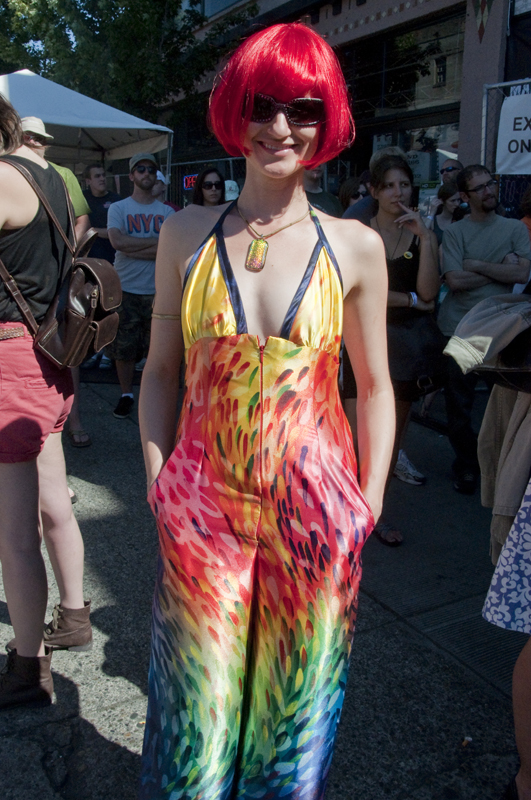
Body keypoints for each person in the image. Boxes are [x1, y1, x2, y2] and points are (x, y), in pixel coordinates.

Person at [138, 22, 394, 798]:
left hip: (314, 511)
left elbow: (374, 385)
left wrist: (367, 502)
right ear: (232, 109)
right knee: (196, 719)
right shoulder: (185, 234)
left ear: (327, 120)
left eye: (303, 107)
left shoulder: (353, 246)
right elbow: (159, 374)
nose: (279, 126)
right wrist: (161, 484)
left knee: (292, 723)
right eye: (261, 103)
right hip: (202, 506)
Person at [0, 95, 91, 711]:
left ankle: (29, 666)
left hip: (10, 362)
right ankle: (77, 614)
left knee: (12, 533)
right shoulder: (50, 176)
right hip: (49, 354)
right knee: (54, 500)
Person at [344, 155, 441, 545]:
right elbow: (355, 292)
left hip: (404, 350)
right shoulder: (359, 232)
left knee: (389, 441)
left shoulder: (420, 234)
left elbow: (431, 293)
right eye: (388, 185)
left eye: (404, 185)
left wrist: (427, 238)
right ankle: (348, 507)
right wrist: (410, 299)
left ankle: (377, 512)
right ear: (373, 191)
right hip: (361, 342)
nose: (397, 193)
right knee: (354, 438)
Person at [438, 164, 531, 494]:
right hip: (460, 329)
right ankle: (467, 465)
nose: (489, 191)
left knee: (501, 407)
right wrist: (497, 270)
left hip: (503, 331)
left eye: (491, 184)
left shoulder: (513, 229)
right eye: (480, 188)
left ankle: (500, 469)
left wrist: (475, 266)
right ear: (464, 196)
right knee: (460, 409)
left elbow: (522, 275)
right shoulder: (456, 233)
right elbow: (453, 280)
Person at [107, 153, 175, 419]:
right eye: (141, 169)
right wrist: (155, 246)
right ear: (132, 176)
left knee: (156, 350)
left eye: (151, 169)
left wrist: (137, 246)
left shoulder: (167, 212)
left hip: (159, 291)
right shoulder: (119, 208)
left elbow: (169, 250)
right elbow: (117, 242)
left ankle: (151, 395)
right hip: (126, 288)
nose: (147, 173)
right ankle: (126, 394)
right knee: (124, 348)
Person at [82, 163, 121, 262]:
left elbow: (119, 232)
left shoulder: (116, 200)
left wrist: (93, 230)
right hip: (88, 258)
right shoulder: (82, 198)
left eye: (103, 175)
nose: (102, 178)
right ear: (88, 181)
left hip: (112, 258)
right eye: (97, 176)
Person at [426, 181, 460, 247]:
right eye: (453, 201)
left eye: (458, 200)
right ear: (442, 201)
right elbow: (422, 234)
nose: (457, 204)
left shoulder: (460, 218)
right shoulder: (434, 221)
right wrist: (431, 213)